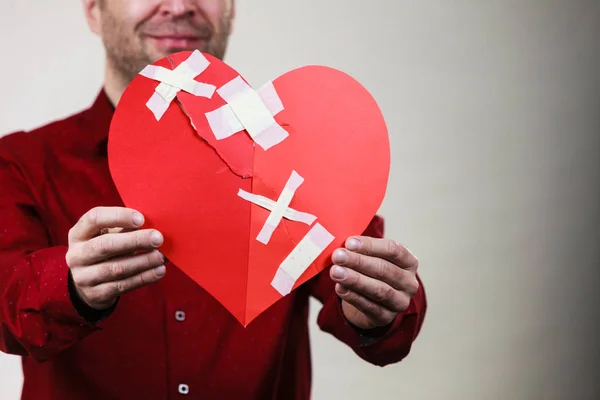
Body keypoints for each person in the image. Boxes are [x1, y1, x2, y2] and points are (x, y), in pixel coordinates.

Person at [0, 1, 427, 399]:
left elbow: (382, 322)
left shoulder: (296, 157)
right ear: (94, 10)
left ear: (231, 9)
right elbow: (7, 313)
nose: (181, 6)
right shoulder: (22, 163)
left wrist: (379, 310)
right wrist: (72, 287)